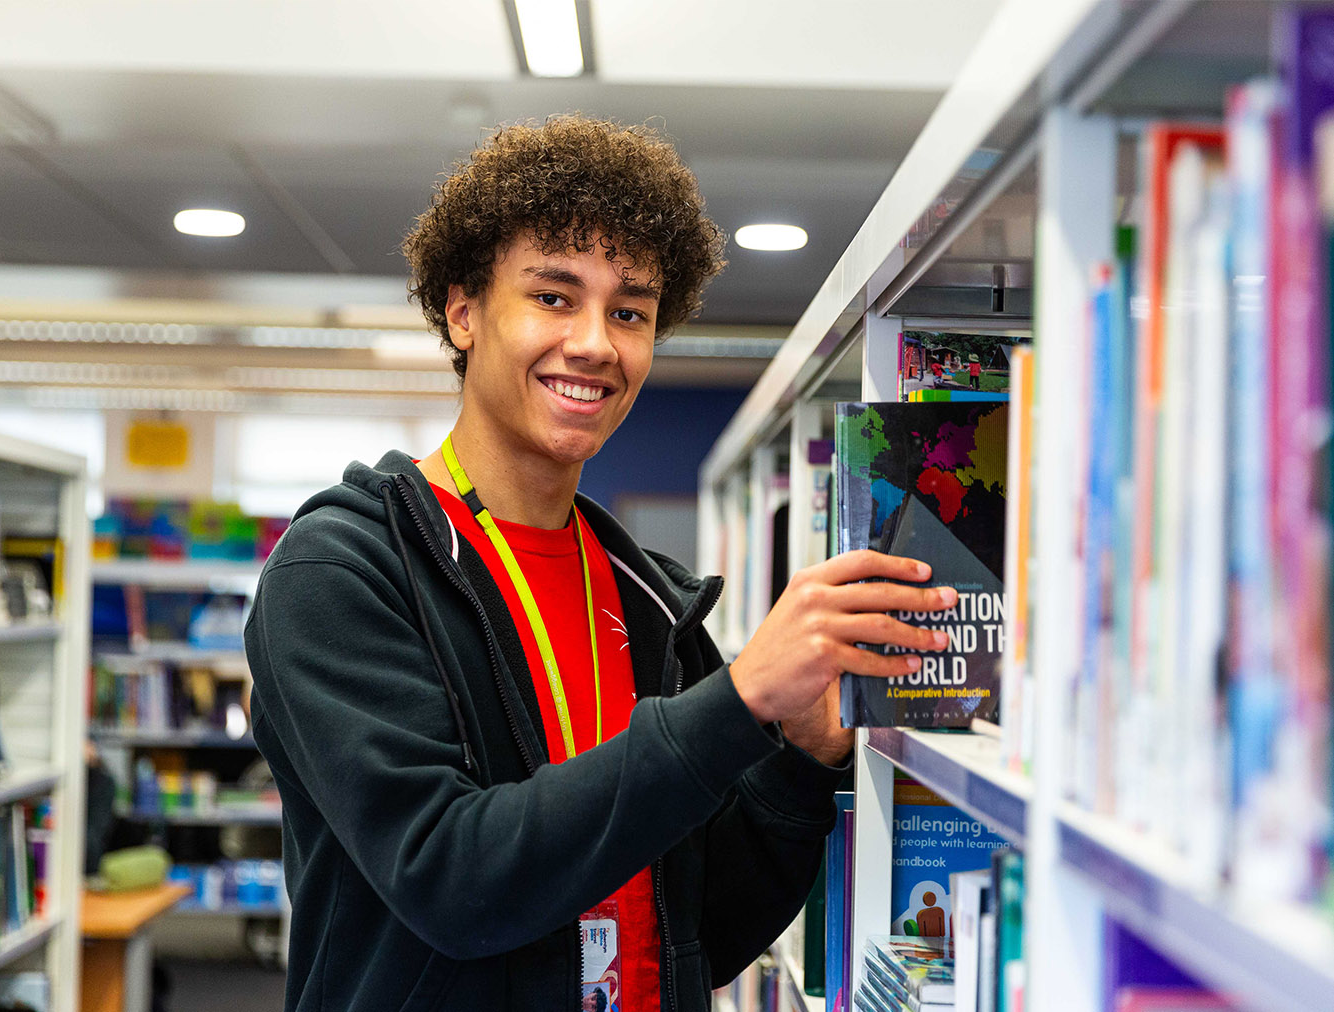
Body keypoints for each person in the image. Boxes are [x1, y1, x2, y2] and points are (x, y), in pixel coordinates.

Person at [244, 115, 957, 1012]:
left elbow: (704, 926)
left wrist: (802, 763)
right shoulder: (341, 572)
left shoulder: (648, 599)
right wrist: (736, 703)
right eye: (552, 296)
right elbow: (452, 882)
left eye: (630, 312)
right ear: (462, 311)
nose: (594, 343)